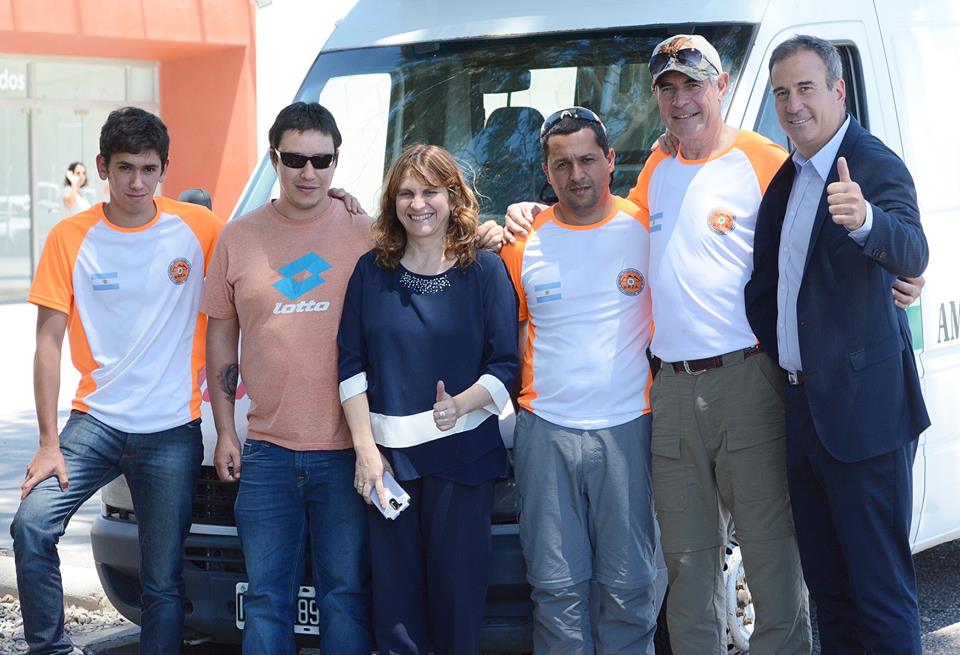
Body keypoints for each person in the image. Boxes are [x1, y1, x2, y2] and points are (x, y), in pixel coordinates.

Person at [10, 107, 223, 655]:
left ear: (164, 169)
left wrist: (340, 203)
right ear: (103, 166)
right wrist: (48, 443)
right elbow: (48, 345)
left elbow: (269, 243)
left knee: (162, 580)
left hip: (172, 429)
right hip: (95, 423)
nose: (137, 183)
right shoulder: (70, 236)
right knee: (32, 526)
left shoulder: (198, 228)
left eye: (149, 169)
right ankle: (51, 649)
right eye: (125, 167)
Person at [744, 35, 929, 655]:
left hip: (865, 417)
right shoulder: (789, 175)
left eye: (805, 88)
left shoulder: (870, 163)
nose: (793, 105)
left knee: (880, 592)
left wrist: (867, 220)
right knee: (831, 594)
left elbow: (912, 252)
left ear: (838, 90)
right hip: (804, 412)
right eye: (782, 93)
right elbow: (771, 284)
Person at [202, 102, 372, 655]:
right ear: (273, 158)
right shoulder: (238, 238)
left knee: (345, 597)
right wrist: (225, 432)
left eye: (322, 160)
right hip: (268, 452)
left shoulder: (366, 231)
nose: (309, 173)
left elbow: (435, 242)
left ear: (336, 161)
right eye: (295, 159)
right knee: (266, 600)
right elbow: (221, 340)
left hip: (347, 453)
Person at [337, 143, 519, 655]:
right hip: (390, 469)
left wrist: (461, 404)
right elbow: (350, 367)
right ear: (392, 202)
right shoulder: (370, 273)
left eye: (431, 192)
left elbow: (506, 366)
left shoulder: (485, 271)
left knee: (457, 608)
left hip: (464, 463)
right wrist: (366, 451)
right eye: (406, 193)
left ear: (453, 197)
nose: (418, 204)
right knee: (395, 614)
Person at [499, 107, 666, 653]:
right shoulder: (521, 241)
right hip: (546, 431)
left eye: (588, 160)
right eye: (562, 164)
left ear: (611, 160)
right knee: (555, 590)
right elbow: (508, 335)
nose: (577, 175)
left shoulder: (646, 228)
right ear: (546, 172)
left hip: (629, 427)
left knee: (630, 588)